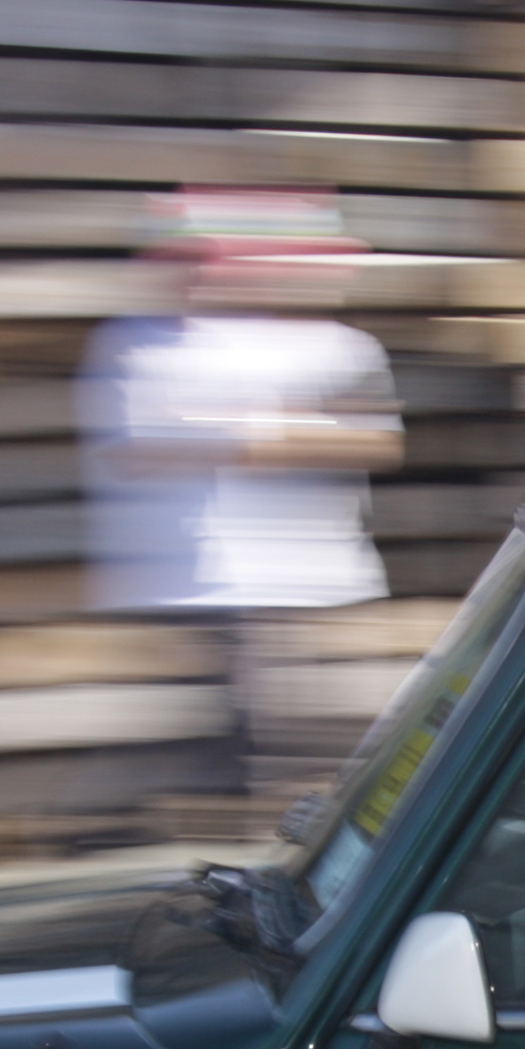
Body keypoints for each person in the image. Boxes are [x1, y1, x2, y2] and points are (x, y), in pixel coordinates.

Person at [77, 190, 403, 829]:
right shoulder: (133, 342)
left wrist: (225, 433)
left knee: (288, 751)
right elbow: (139, 448)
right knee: (222, 752)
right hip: (188, 584)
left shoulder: (343, 348)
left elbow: (376, 443)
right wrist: (289, 431)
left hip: (312, 581)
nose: (192, 274)